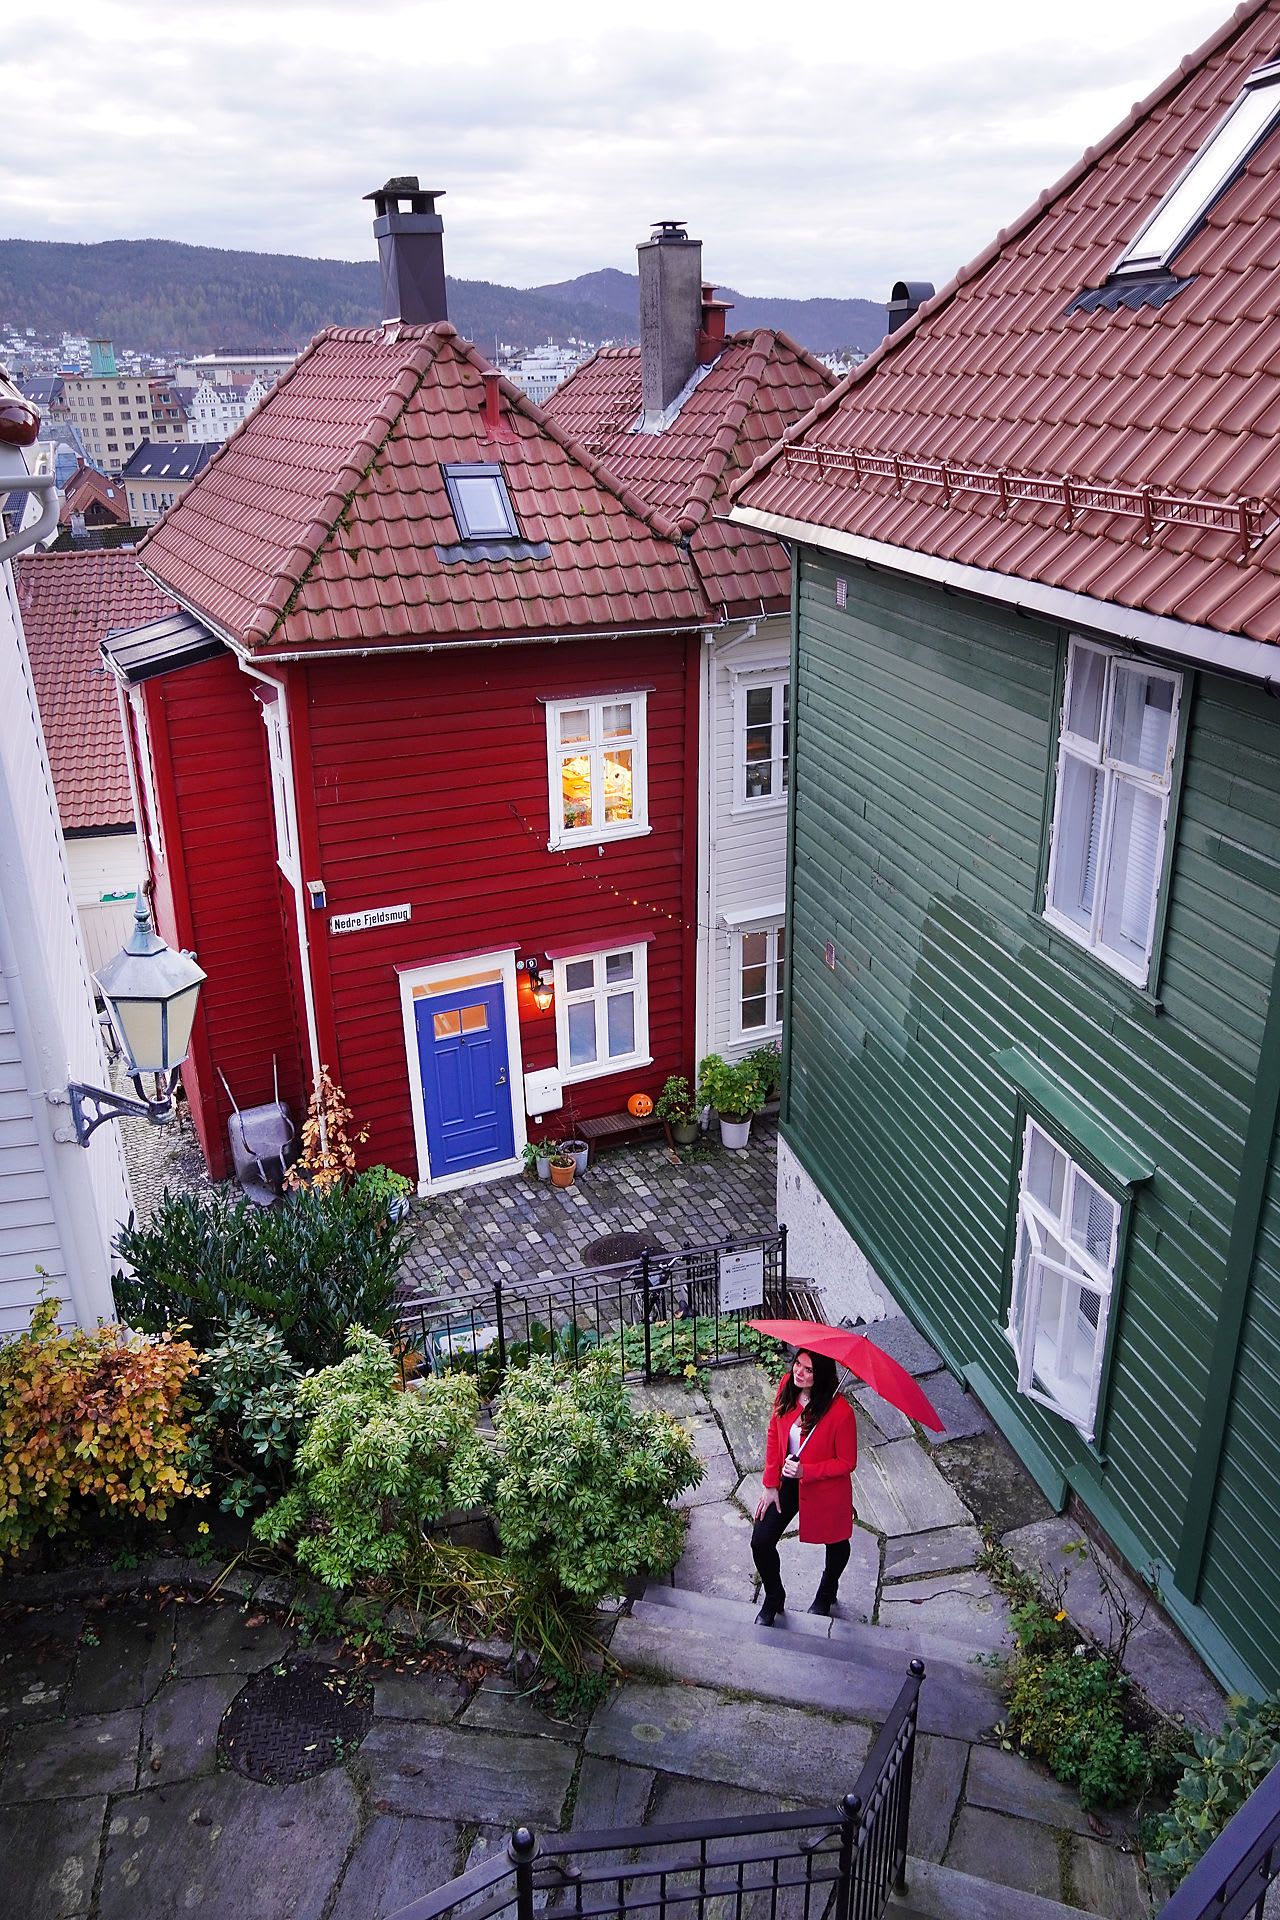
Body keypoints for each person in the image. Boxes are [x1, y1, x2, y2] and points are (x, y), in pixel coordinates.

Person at [752, 1348, 857, 1625]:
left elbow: (847, 1462)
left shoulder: (840, 1412)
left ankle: (827, 1590)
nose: (798, 1372)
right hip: (787, 1482)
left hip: (824, 1488)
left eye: (808, 1370)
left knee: (836, 1543)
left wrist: (806, 1470)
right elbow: (774, 1432)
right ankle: (774, 1596)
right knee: (761, 1541)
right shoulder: (788, 1386)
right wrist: (770, 1484)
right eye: (798, 1364)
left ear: (820, 1374)